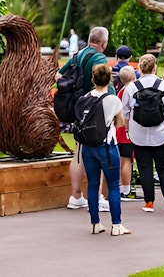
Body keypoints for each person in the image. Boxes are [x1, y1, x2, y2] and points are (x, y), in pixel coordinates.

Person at [56, 26, 112, 211]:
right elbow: (104, 83)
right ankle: (97, 197)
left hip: (78, 109)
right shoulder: (99, 58)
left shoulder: (76, 55)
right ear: (103, 43)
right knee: (100, 153)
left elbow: (58, 75)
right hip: (96, 110)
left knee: (79, 152)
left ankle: (76, 196)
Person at [122, 54, 164, 213]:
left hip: (138, 134)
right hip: (161, 133)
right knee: (163, 167)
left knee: (144, 167)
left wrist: (129, 130)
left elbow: (126, 113)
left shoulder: (131, 87)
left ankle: (148, 202)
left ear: (140, 68)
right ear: (155, 67)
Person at [80, 63, 131, 236]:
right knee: (114, 186)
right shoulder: (113, 99)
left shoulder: (84, 98)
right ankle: (116, 225)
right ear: (109, 80)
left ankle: (95, 223)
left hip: (87, 147)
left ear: (92, 79)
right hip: (107, 146)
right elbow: (121, 123)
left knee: (93, 184)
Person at [116, 65, 141, 201]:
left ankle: (122, 187)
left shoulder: (120, 91)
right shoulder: (130, 91)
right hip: (126, 130)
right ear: (133, 76)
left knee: (122, 159)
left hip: (120, 130)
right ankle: (126, 189)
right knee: (127, 160)